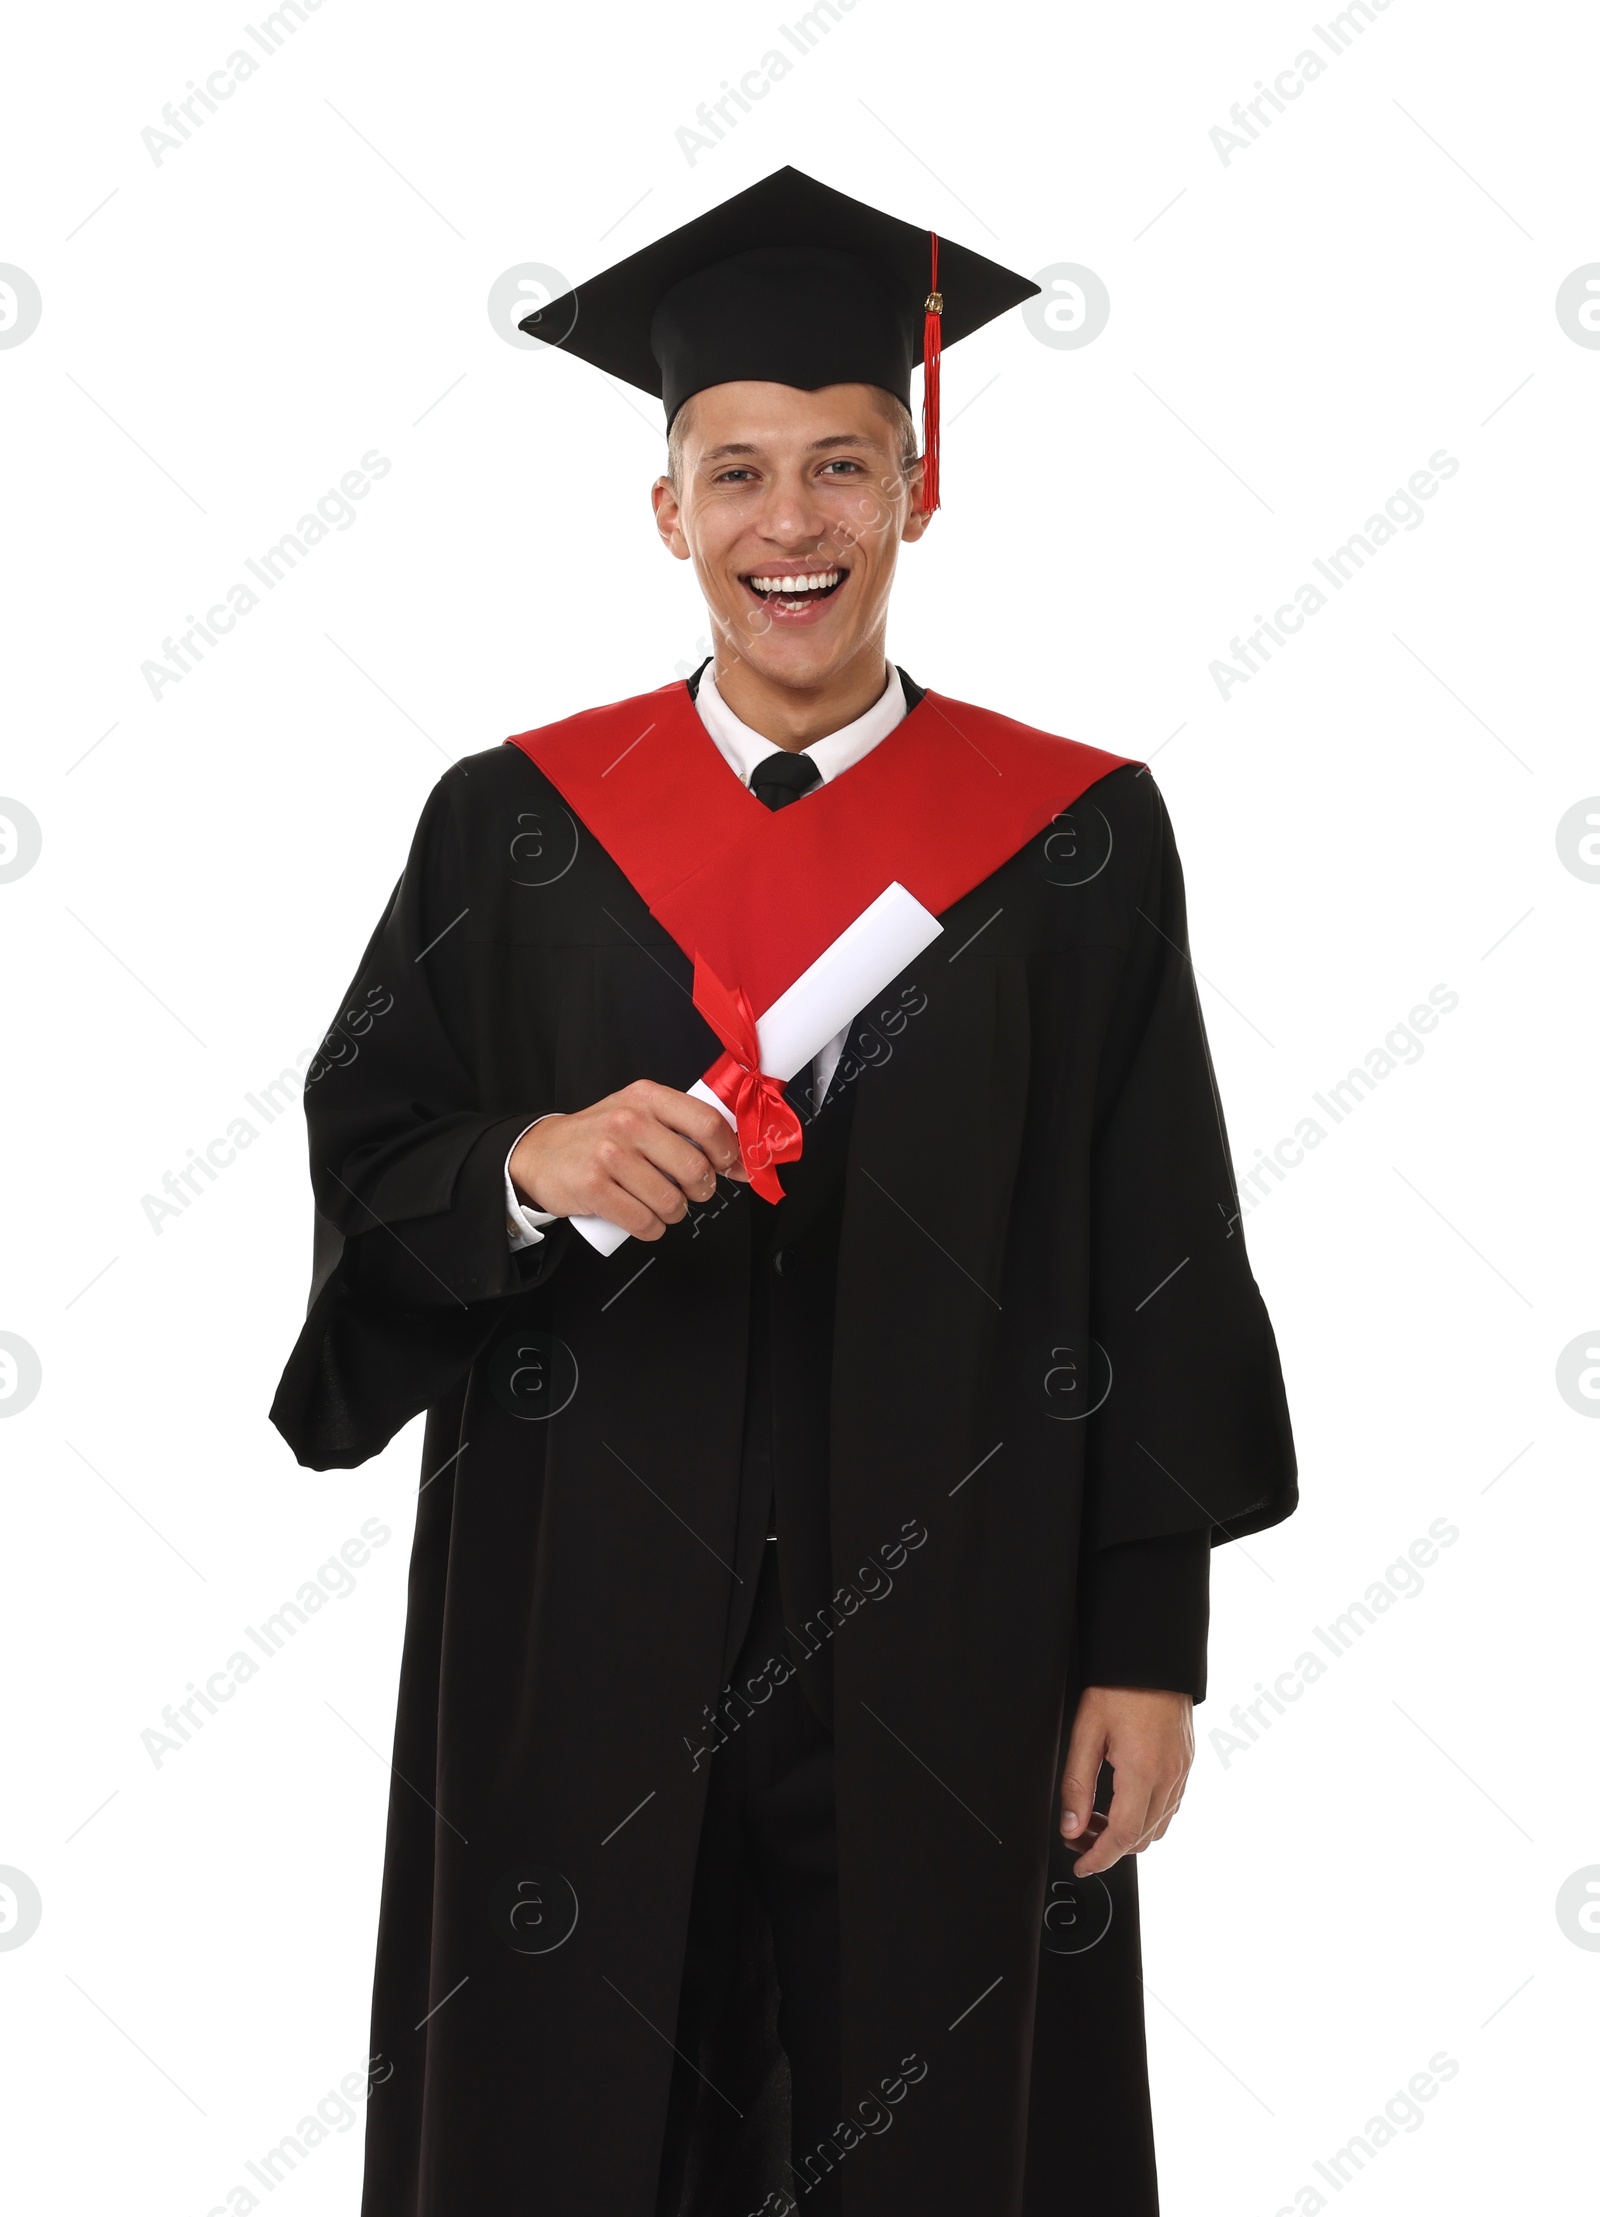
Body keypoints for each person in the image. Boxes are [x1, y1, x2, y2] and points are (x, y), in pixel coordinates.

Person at [272, 164, 1297, 2217]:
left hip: (959, 1628)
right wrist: (523, 1167)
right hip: (578, 1627)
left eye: (841, 464)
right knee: (561, 2113)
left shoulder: (1069, 839)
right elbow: (375, 1155)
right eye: (735, 473)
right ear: (667, 512)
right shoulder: (517, 830)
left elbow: (1154, 1237)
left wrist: (1142, 1640)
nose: (790, 523)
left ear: (916, 491)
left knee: (935, 2119)